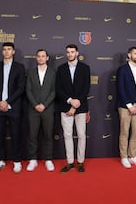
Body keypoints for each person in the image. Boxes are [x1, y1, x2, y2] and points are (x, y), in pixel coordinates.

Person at [0, 42, 25, 173]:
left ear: (13, 52)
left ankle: (17, 161)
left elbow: (21, 88)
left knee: (16, 135)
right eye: (4, 49)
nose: (6, 52)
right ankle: (0, 160)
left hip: (14, 107)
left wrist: (7, 102)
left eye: (9, 49)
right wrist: (0, 101)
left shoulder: (20, 67)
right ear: (2, 52)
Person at [56, 44, 90, 173]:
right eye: (68, 52)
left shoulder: (85, 68)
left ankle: (80, 162)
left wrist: (75, 105)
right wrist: (70, 101)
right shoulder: (61, 69)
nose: (70, 54)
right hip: (65, 107)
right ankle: (70, 162)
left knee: (81, 135)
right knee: (67, 135)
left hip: (80, 107)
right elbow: (59, 89)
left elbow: (85, 89)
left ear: (77, 53)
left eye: (72, 52)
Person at [116, 46, 136, 168]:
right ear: (129, 55)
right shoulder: (122, 70)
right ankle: (124, 157)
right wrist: (129, 106)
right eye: (135, 54)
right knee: (124, 132)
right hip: (125, 107)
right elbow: (121, 89)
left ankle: (132, 155)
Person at [25, 49, 56, 172]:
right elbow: (28, 90)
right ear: (36, 58)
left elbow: (54, 91)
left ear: (47, 58)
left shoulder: (53, 73)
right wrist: (35, 104)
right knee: (32, 135)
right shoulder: (31, 72)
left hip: (48, 109)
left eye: (43, 56)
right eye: (39, 56)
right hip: (33, 109)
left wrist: (45, 104)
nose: (41, 58)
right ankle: (33, 159)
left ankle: (48, 159)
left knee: (48, 135)